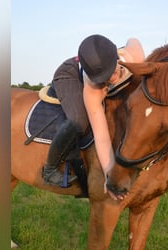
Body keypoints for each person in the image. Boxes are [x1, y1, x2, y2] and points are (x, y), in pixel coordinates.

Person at [42, 34, 145, 200]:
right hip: (70, 72)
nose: (109, 80)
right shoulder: (93, 87)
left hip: (101, 60)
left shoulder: (135, 56)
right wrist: (109, 175)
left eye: (111, 73)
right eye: (103, 79)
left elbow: (133, 40)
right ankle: (49, 169)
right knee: (78, 122)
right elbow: (101, 136)